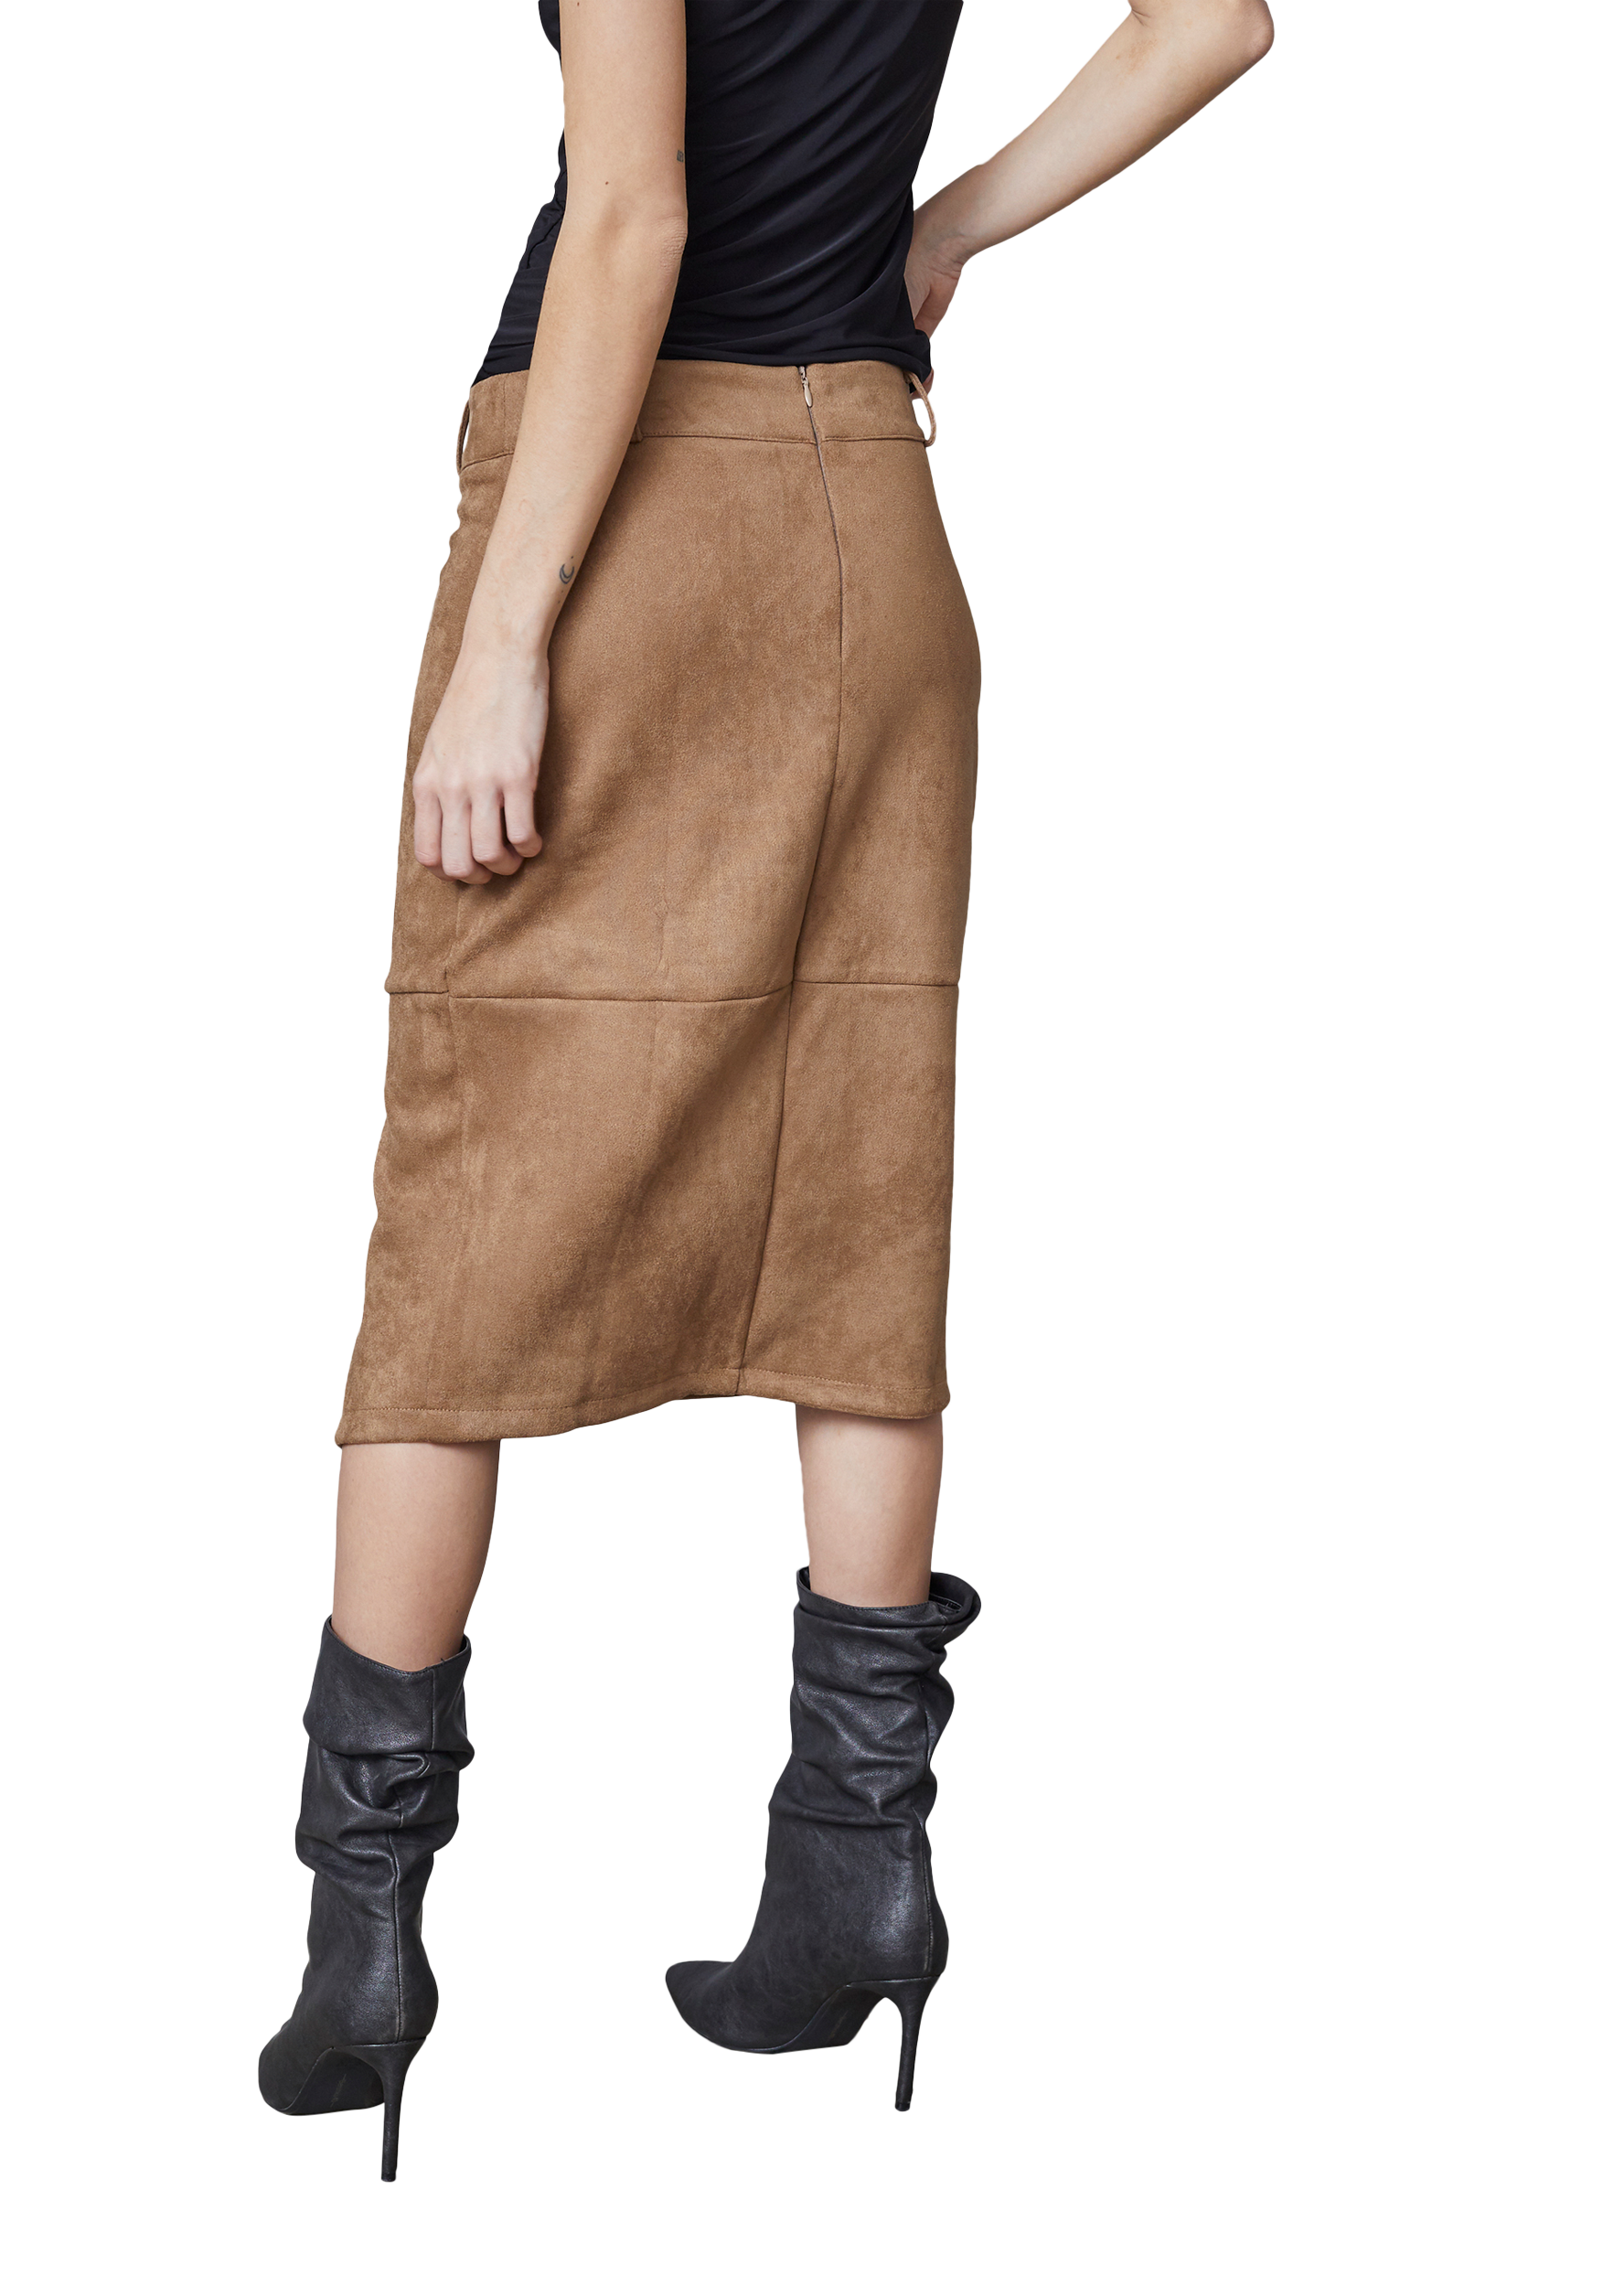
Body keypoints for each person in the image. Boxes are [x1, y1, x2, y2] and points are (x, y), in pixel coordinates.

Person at [259, 0, 1274, 2180]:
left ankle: (365, 1943)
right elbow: (1215, 19)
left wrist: (509, 639)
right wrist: (945, 229)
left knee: (463, 1200)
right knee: (857, 1187)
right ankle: (854, 1873)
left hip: (624, 517)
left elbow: (632, 217)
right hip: (867, 527)